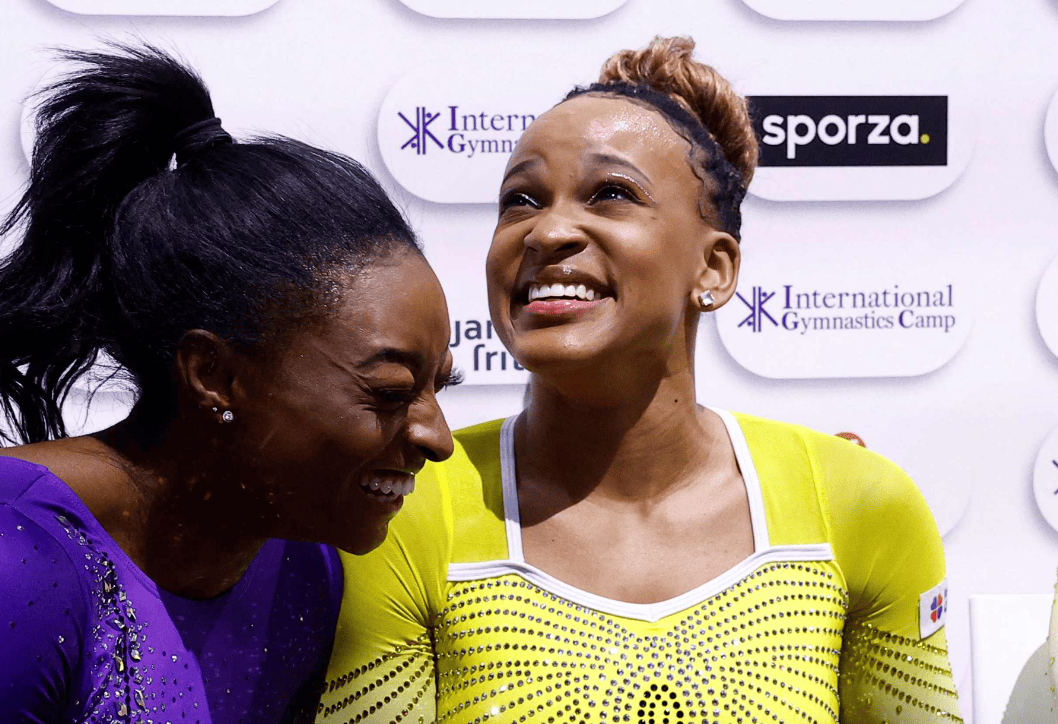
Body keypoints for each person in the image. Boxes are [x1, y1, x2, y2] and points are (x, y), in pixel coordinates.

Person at [0, 42, 458, 724]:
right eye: (389, 392)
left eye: (440, 386)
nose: (436, 438)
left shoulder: (305, 562)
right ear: (215, 375)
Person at [319, 37, 962, 724]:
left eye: (611, 194)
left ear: (713, 269)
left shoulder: (860, 506)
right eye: (521, 200)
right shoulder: (405, 508)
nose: (548, 231)